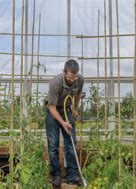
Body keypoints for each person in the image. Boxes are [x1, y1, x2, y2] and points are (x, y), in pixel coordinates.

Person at [45, 59, 84, 187]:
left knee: (71, 141)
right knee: (53, 144)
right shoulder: (56, 83)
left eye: (75, 77)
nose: (73, 80)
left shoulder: (80, 79)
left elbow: (77, 94)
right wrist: (63, 123)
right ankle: (56, 175)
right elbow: (51, 107)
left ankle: (73, 175)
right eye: (70, 77)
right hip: (53, 110)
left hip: (66, 109)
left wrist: (75, 109)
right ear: (64, 72)